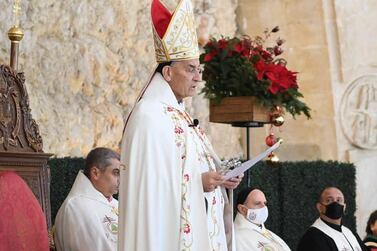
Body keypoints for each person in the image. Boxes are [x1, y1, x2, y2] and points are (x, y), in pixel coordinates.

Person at [118, 0, 242, 250]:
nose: (198, 77)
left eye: (199, 69)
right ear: (167, 74)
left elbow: (194, 166)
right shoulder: (149, 115)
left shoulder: (180, 113)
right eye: (190, 69)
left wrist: (221, 177)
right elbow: (151, 188)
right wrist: (200, 182)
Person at [54, 147, 120, 251]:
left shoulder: (117, 204)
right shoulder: (76, 206)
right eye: (116, 173)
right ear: (95, 173)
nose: (120, 179)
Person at [297, 186, 367, 251]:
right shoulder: (312, 237)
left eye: (339, 200)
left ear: (344, 207)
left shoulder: (350, 233)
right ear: (319, 207)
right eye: (329, 200)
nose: (335, 203)